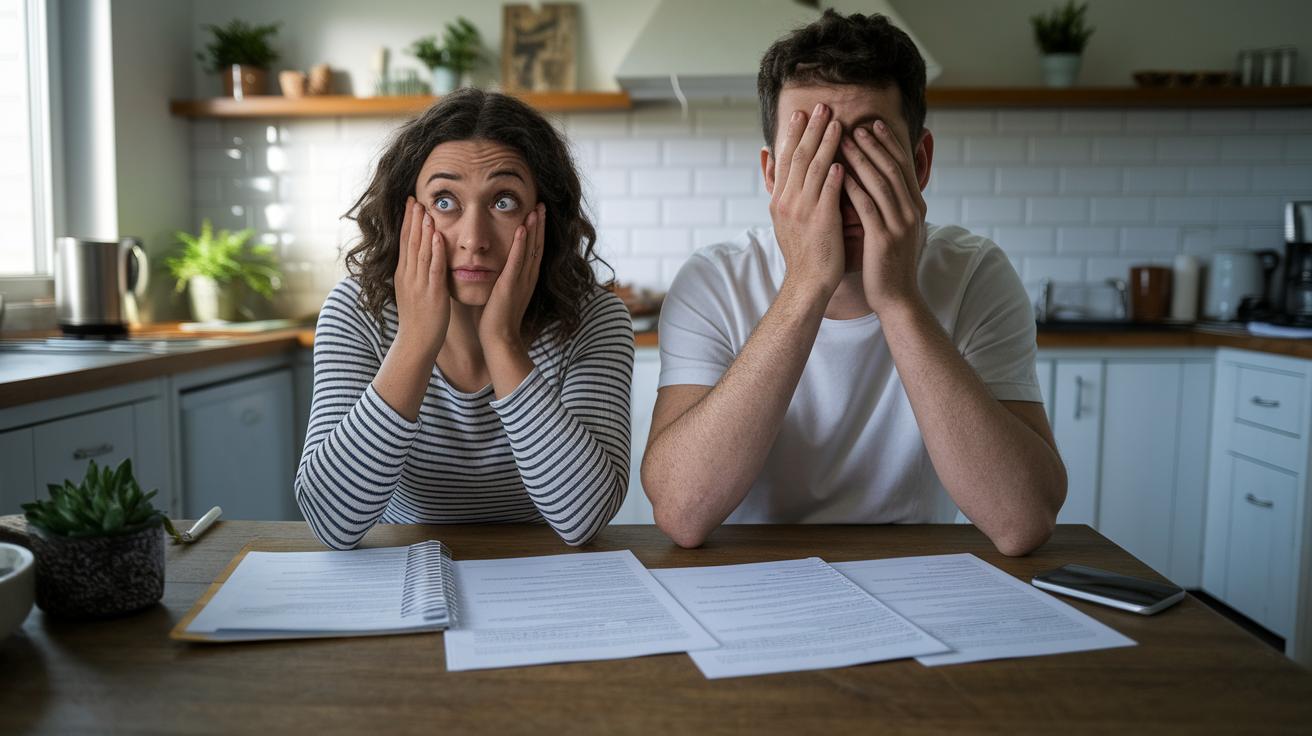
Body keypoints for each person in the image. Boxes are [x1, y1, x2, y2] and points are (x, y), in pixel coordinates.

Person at [642, 10, 1067, 555]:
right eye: (811, 153)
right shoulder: (713, 280)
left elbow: (1024, 520)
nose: (835, 184)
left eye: (868, 149)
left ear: (919, 162)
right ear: (773, 173)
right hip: (751, 575)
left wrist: (898, 299)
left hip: (918, 576)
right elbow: (680, 512)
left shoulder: (975, 274)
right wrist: (804, 287)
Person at [296, 89, 633, 550]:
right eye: (445, 202)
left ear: (544, 217)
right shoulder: (357, 312)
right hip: (405, 570)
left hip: (542, 573)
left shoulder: (595, 319)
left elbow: (583, 519)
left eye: (503, 202)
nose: (473, 239)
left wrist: (502, 341)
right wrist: (415, 339)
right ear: (406, 214)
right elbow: (332, 522)